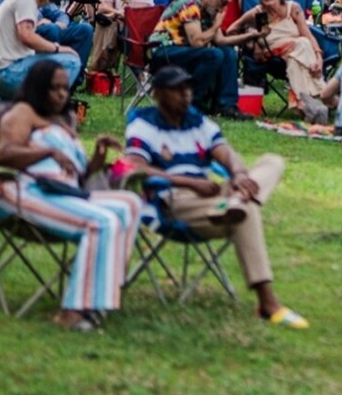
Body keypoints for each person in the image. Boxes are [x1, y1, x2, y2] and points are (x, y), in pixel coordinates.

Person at [125, 65, 306, 327]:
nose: (186, 95)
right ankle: (268, 302)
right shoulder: (144, 123)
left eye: (187, 88)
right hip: (175, 199)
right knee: (247, 213)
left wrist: (240, 174)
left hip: (214, 193)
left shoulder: (198, 121)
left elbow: (225, 152)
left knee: (272, 162)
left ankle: (236, 202)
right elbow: (134, 166)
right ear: (159, 94)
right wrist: (188, 181)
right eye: (177, 90)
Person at [0, 60, 141, 331]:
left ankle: (102, 291)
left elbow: (77, 176)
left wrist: (97, 157)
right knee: (102, 221)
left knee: (130, 204)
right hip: (24, 192)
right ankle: (71, 312)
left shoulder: (61, 121)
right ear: (37, 88)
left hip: (62, 192)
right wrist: (47, 152)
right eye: (53, 88)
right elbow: (4, 153)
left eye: (64, 88)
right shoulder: (23, 113)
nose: (61, 94)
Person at [148, 0, 250, 120]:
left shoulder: (208, 9)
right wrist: (216, 25)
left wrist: (250, 36)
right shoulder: (190, 4)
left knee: (228, 52)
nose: (223, 8)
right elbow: (197, 42)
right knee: (213, 55)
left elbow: (220, 40)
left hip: (184, 51)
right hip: (162, 51)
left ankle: (226, 105)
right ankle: (191, 103)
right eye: (222, 2)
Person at [234, 0, 328, 123]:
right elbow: (234, 29)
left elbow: (308, 35)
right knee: (302, 43)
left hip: (294, 55)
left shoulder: (293, 8)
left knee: (297, 55)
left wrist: (319, 58)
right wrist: (250, 34)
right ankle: (322, 93)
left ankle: (302, 103)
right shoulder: (260, 13)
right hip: (273, 54)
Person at [0, 0, 84, 99]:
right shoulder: (26, 0)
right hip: (6, 73)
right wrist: (58, 48)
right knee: (72, 61)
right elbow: (26, 36)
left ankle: (10, 104)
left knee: (46, 60)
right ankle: (52, 105)